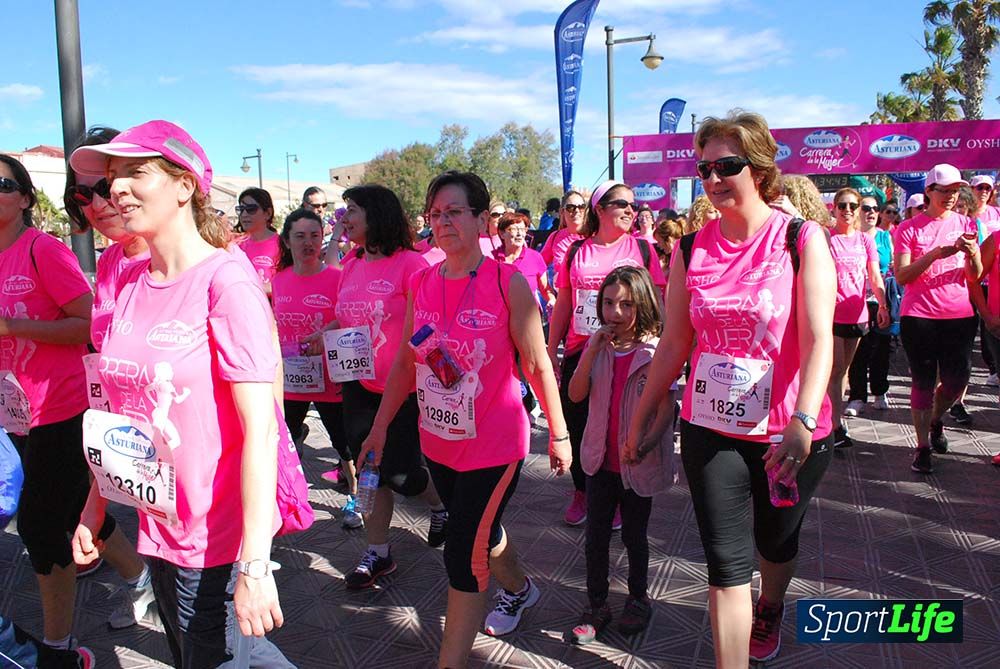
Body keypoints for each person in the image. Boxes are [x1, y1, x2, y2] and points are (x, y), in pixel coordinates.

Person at [69, 120, 294, 668]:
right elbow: (117, 407)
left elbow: (262, 430)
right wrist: (94, 507)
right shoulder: (129, 281)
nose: (115, 189)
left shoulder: (227, 282)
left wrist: (256, 567)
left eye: (134, 173)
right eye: (111, 177)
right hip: (155, 520)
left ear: (184, 185)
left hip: (212, 534)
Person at [624, 111, 835, 666]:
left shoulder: (801, 238)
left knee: (776, 541)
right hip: (709, 426)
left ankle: (772, 602)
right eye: (705, 168)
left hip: (788, 431)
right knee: (725, 562)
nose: (714, 178)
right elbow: (673, 345)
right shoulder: (690, 249)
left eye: (727, 166)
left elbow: (818, 341)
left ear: (759, 170)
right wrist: (642, 417)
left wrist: (804, 421)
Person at [358, 171, 570, 669]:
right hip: (440, 444)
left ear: (481, 219)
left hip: (494, 446)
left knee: (463, 554)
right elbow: (410, 363)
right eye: (436, 214)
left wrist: (559, 434)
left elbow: (538, 364)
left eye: (455, 212)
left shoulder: (509, 282)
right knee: (483, 531)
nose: (444, 222)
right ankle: (520, 589)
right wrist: (380, 426)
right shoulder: (423, 282)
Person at [312, 183, 449, 589]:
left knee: (402, 474)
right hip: (356, 384)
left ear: (377, 214)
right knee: (371, 468)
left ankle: (439, 506)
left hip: (403, 387)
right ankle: (378, 552)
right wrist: (327, 332)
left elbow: (426, 326)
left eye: (352, 209)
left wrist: (445, 372)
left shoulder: (412, 265)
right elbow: (349, 317)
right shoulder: (351, 264)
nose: (344, 218)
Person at [0, 154, 105, 658]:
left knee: (40, 525)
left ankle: (59, 649)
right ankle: (139, 580)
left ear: (24, 197)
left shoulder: (42, 250)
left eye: (0, 183)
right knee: (75, 510)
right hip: (10, 413)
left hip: (59, 407)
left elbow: (86, 324)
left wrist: (14, 327)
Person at [64, 126, 161, 628]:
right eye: (83, 194)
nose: (100, 202)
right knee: (187, 612)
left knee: (214, 619)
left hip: (198, 468)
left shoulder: (189, 262)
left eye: (109, 185)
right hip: (138, 450)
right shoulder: (109, 267)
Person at [547, 181, 666, 528]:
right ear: (599, 210)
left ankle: (615, 497)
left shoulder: (642, 250)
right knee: (579, 422)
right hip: (581, 351)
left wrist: (661, 347)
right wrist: (552, 348)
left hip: (627, 352)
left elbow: (657, 301)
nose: (632, 210)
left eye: (634, 204)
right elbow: (565, 301)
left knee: (619, 425)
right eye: (621, 204)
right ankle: (582, 492)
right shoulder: (575, 251)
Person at [566, 267, 675, 644]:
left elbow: (665, 409)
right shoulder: (598, 349)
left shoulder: (655, 352)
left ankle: (637, 598)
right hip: (599, 461)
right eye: (609, 302)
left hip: (636, 464)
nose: (615, 312)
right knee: (596, 535)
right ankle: (596, 603)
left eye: (626, 304)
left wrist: (645, 444)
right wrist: (590, 352)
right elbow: (576, 395)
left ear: (642, 304)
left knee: (634, 535)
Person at [271, 208, 360, 525]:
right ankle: (281, 501)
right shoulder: (278, 281)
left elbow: (351, 319)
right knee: (281, 440)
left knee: (344, 445)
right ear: (287, 240)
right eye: (300, 236)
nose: (308, 243)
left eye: (314, 235)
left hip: (331, 379)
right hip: (291, 380)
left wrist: (327, 335)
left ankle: (355, 498)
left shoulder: (338, 278)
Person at [894, 163, 980, 475]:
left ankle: (934, 420)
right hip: (919, 316)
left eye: (955, 190)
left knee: (957, 381)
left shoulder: (966, 222)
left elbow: (976, 275)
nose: (950, 196)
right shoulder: (909, 229)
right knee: (923, 382)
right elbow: (902, 276)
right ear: (928, 191)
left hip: (959, 314)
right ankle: (922, 447)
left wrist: (972, 255)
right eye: (943, 190)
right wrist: (935, 254)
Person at [826, 189, 889, 448]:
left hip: (858, 312)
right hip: (831, 312)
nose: (848, 210)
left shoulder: (865, 240)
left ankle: (833, 418)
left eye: (854, 206)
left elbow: (874, 275)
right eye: (843, 205)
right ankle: (834, 425)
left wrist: (883, 304)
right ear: (835, 208)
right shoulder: (826, 237)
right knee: (835, 368)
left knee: (844, 371)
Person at [847, 195, 896, 414]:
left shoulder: (886, 237)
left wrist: (885, 300)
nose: (872, 212)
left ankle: (879, 391)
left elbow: (892, 268)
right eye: (866, 208)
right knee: (858, 351)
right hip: (854, 301)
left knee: (881, 349)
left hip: (879, 300)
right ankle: (857, 396)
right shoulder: (850, 237)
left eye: (876, 208)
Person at [494, 212, 555, 311]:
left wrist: (552, 300)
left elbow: (545, 289)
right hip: (500, 318)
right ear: (502, 234)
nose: (519, 234)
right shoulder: (492, 259)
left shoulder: (535, 257)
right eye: (513, 229)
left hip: (529, 318)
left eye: (522, 229)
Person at [236, 188, 280, 293]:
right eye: (241, 209)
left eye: (251, 209)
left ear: (267, 213)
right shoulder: (234, 245)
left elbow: (287, 283)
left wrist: (253, 288)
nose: (244, 214)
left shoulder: (282, 244)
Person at [539, 190, 587, 287]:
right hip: (562, 296)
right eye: (570, 208)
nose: (577, 211)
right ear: (562, 211)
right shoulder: (555, 237)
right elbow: (538, 266)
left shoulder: (594, 235)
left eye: (581, 207)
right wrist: (548, 293)